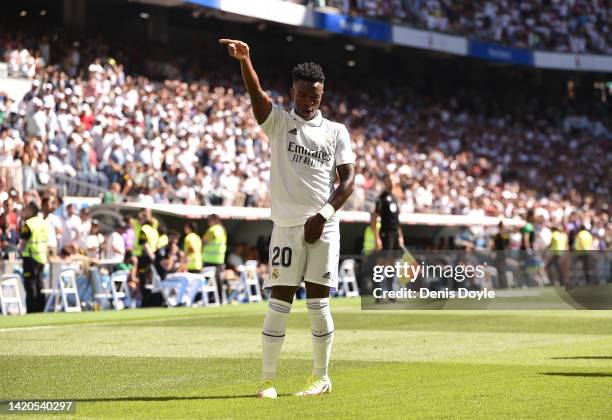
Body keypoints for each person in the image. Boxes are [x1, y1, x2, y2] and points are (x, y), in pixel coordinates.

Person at [221, 39, 354, 398]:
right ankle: (267, 381)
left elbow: (349, 181)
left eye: (315, 96)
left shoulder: (336, 132)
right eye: (302, 95)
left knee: (317, 304)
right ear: (292, 92)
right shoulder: (279, 123)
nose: (309, 102)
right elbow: (257, 96)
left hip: (323, 229)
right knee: (279, 304)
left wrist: (323, 214)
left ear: (322, 93)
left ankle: (321, 378)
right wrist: (245, 61)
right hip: (285, 228)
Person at [19, 201, 50, 312]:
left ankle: (31, 310)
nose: (25, 211)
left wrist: (20, 252)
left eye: (26, 209)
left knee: (30, 284)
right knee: (39, 284)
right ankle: (41, 309)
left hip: (30, 258)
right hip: (41, 258)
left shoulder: (28, 223)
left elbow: (23, 242)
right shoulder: (44, 223)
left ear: (32, 210)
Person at [202, 214, 227, 302]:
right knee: (217, 280)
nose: (208, 222)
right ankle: (219, 299)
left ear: (213, 220)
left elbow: (205, 241)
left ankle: (211, 299)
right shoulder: (221, 229)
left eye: (209, 220)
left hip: (210, 259)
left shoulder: (213, 229)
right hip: (219, 259)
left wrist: (203, 243)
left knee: (209, 281)